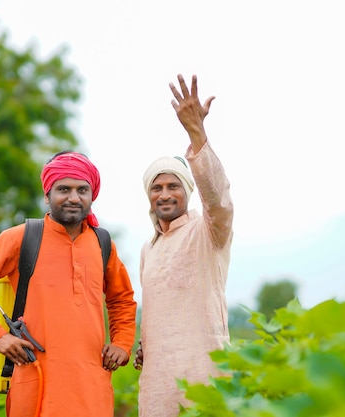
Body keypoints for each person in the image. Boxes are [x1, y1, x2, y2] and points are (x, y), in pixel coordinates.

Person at [0, 151, 137, 417]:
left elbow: (121, 300)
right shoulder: (21, 238)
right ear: (47, 194)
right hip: (36, 384)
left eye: (82, 189)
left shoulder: (103, 244)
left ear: (91, 195)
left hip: (92, 388)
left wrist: (121, 343)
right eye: (64, 189)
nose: (74, 197)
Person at [134, 74, 234, 417]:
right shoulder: (149, 249)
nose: (164, 194)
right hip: (158, 382)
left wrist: (197, 134)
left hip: (204, 371)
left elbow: (218, 199)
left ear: (187, 191)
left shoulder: (209, 231)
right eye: (156, 187)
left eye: (173, 186)